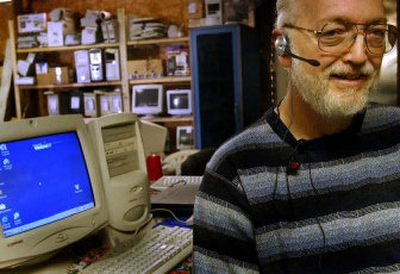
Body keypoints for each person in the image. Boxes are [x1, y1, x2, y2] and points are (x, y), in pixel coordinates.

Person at [193, 0, 399, 273]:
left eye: (375, 33)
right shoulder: (233, 177)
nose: (360, 56)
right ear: (284, 48)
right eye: (333, 32)